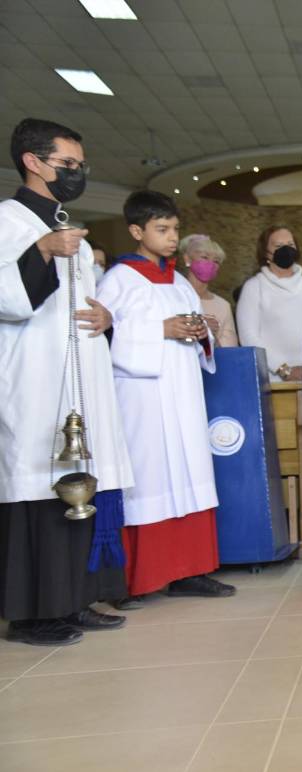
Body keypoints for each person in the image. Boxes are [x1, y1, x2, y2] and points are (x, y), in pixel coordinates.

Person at [0, 118, 134, 645]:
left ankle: (73, 599)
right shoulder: (9, 221)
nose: (76, 174)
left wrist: (106, 319)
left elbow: (81, 303)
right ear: (33, 161)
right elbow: (8, 298)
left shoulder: (66, 228)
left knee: (78, 481)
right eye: (68, 165)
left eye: (81, 167)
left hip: (77, 377)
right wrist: (41, 253)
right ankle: (33, 614)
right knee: (38, 483)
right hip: (34, 375)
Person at [98, 190, 237, 601]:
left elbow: (193, 334)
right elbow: (104, 333)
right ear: (137, 231)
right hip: (143, 395)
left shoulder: (178, 281)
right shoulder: (118, 279)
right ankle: (142, 576)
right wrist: (160, 329)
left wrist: (201, 332)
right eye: (162, 229)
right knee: (151, 478)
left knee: (191, 473)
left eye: (175, 228)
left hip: (183, 391)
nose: (172, 237)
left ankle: (191, 569)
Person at [236, 225, 302, 381]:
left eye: (290, 245)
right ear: (266, 253)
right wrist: (284, 369)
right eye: (278, 246)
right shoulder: (254, 287)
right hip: (272, 379)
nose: (286, 249)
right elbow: (248, 336)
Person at [179, 233, 238, 347]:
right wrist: (202, 328)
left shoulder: (223, 305)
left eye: (216, 261)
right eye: (204, 257)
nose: (210, 264)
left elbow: (228, 351)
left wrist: (211, 336)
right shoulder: (173, 295)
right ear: (187, 258)